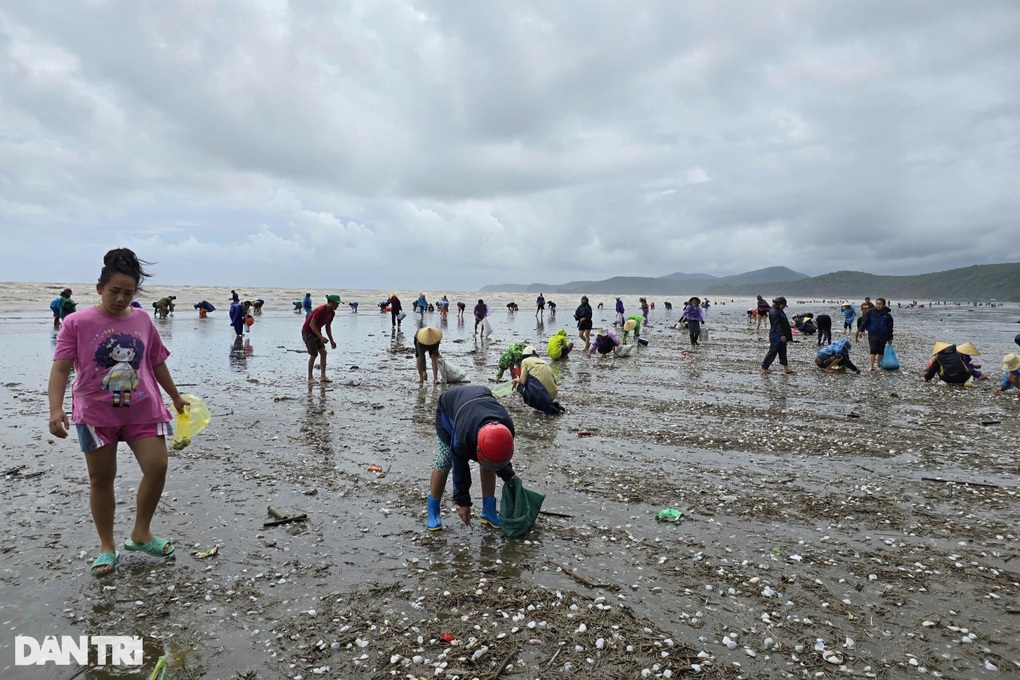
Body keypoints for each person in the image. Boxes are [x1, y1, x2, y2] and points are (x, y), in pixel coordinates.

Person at [47, 248, 187, 577]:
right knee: (101, 479)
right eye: (114, 291)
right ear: (99, 288)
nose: (121, 299)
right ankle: (107, 547)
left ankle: (141, 533)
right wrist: (55, 408)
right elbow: (60, 370)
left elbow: (156, 361)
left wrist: (176, 397)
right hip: (96, 414)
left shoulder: (142, 319)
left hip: (143, 408)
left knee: (158, 466)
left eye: (128, 293)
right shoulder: (76, 323)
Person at [426, 385, 516, 531]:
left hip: (478, 403)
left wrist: (511, 478)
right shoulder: (463, 439)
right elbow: (460, 469)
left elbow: (500, 456)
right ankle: (433, 511)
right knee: (445, 458)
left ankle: (488, 511)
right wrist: (463, 503)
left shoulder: (507, 428)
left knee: (489, 462)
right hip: (448, 411)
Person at [513, 346, 565, 414]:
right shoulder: (544, 362)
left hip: (542, 394)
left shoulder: (525, 361)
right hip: (553, 394)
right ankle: (545, 404)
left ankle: (538, 406)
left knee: (519, 385)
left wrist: (515, 380)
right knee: (533, 380)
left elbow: (522, 381)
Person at [302, 294, 341, 384]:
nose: (338, 306)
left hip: (317, 332)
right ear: (331, 303)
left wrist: (332, 340)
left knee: (323, 352)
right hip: (308, 332)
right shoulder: (320, 310)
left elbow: (328, 326)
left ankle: (323, 376)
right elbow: (312, 324)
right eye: (336, 304)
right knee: (313, 355)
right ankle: (310, 378)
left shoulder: (332, 313)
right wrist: (320, 337)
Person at [856, 297, 894, 371]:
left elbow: (890, 328)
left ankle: (878, 366)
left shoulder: (887, 315)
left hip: (883, 335)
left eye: (880, 304)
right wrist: (861, 330)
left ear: (884, 305)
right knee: (873, 350)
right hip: (873, 334)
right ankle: (870, 366)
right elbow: (865, 322)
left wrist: (890, 337)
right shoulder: (870, 312)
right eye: (877, 304)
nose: (878, 305)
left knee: (880, 350)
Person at [761, 297, 795, 374]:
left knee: (783, 351)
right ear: (779, 304)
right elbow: (776, 325)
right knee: (773, 351)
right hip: (776, 335)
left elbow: (782, 322)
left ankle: (786, 368)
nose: (784, 307)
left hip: (781, 334)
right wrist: (782, 335)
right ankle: (764, 367)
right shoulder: (774, 312)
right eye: (783, 305)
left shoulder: (779, 311)